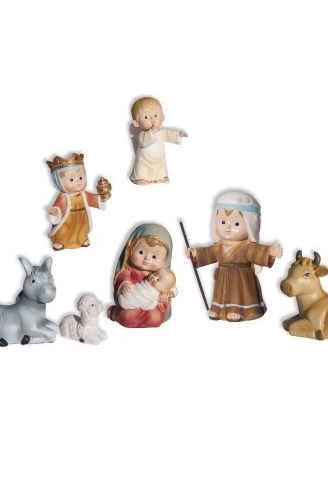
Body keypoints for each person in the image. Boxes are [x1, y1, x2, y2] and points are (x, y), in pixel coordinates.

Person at [186, 190, 282, 321]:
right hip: (223, 275)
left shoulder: (247, 246)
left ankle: (238, 309)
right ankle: (217, 309)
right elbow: (209, 253)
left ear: (250, 226)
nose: (227, 228)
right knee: (220, 293)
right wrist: (195, 253)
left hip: (241, 277)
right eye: (222, 222)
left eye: (236, 223)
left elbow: (257, 251)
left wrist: (270, 251)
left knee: (237, 292)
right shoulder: (219, 246)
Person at [108, 223, 175, 328]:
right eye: (141, 252)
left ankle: (147, 321)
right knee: (128, 318)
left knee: (156, 318)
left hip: (150, 305)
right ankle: (114, 313)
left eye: (154, 256)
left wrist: (163, 299)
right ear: (130, 249)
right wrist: (125, 284)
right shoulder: (130, 270)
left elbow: (165, 293)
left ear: (164, 261)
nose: (147, 259)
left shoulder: (162, 275)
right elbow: (123, 276)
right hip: (132, 303)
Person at [46, 153, 110, 250]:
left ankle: (82, 239)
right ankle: (61, 240)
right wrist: (56, 211)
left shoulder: (84, 194)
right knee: (64, 230)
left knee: (82, 228)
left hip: (81, 217)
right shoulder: (63, 196)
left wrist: (102, 198)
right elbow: (59, 206)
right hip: (67, 219)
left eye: (81, 178)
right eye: (71, 179)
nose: (78, 182)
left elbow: (93, 199)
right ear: (59, 182)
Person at [129, 96, 187, 184]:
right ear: (136, 122)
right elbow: (144, 142)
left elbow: (169, 134)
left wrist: (178, 134)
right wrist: (152, 130)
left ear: (162, 117)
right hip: (144, 160)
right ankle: (140, 178)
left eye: (155, 115)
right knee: (142, 168)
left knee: (161, 167)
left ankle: (162, 177)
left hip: (159, 160)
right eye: (146, 117)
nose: (152, 119)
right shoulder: (142, 134)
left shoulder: (161, 132)